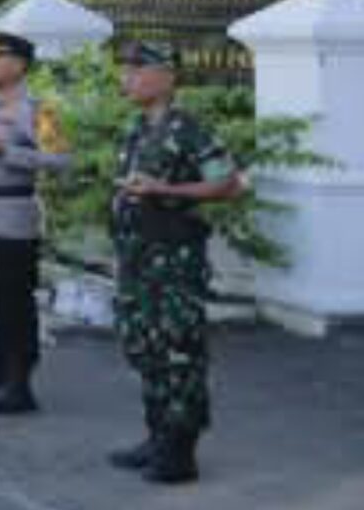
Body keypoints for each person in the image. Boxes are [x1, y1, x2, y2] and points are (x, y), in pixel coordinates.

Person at [109, 36, 244, 487]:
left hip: (174, 263)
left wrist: (165, 191)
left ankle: (180, 450)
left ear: (166, 77)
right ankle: (157, 436)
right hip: (138, 260)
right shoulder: (138, 129)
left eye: (135, 70)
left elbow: (228, 184)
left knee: (178, 352)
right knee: (144, 347)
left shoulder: (190, 129)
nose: (124, 77)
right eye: (123, 69)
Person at [0, 28, 71, 417]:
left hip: (12, 217)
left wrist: (8, 152)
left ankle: (20, 384)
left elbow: (60, 160)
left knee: (14, 303)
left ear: (18, 64)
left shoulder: (38, 110)